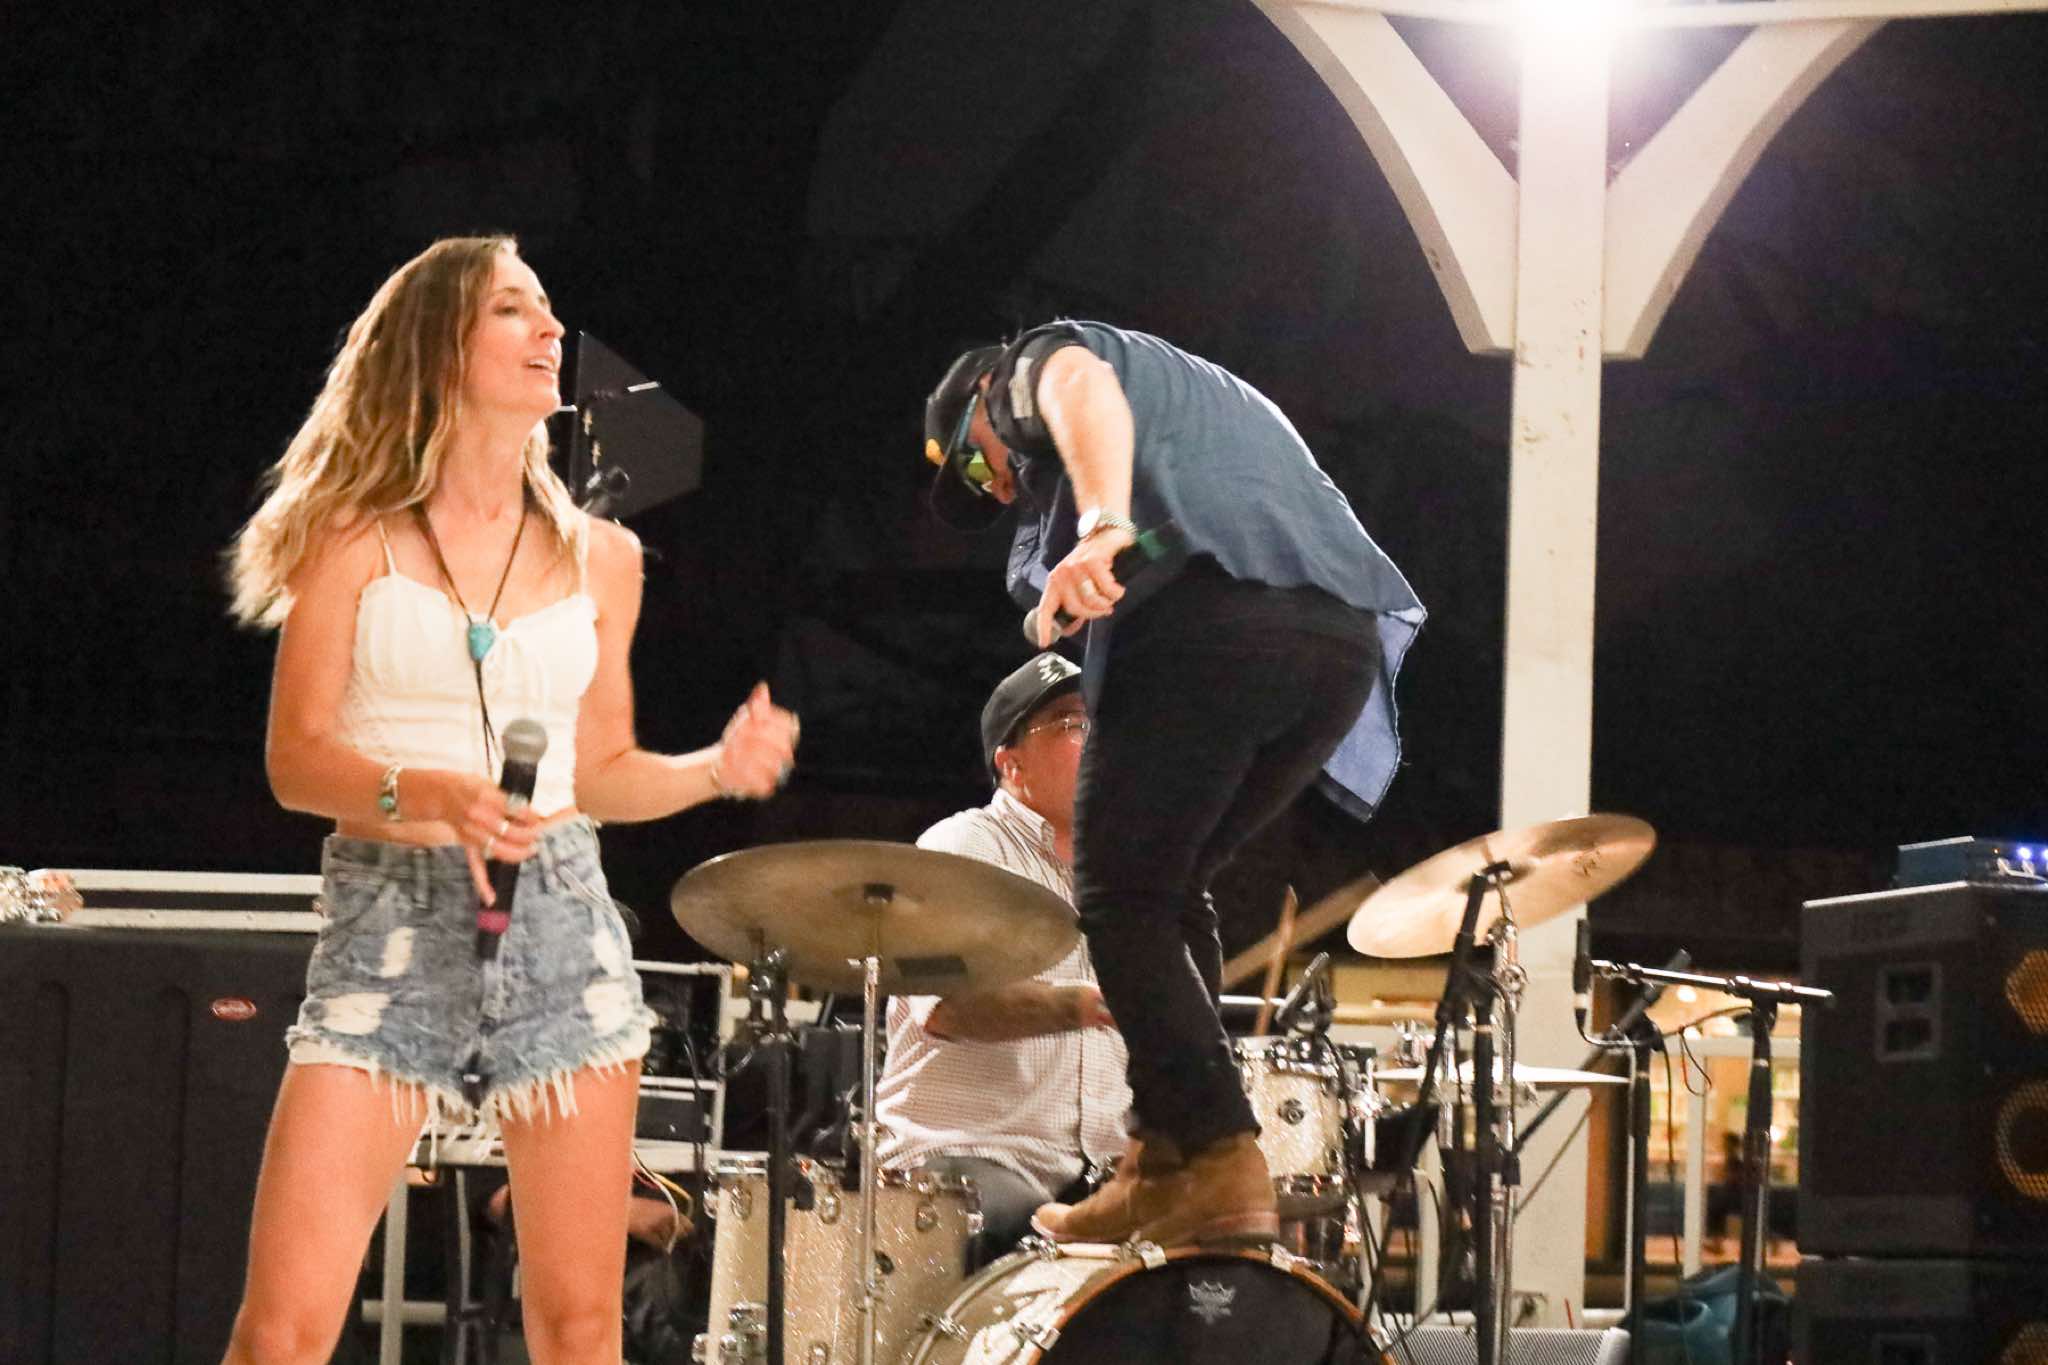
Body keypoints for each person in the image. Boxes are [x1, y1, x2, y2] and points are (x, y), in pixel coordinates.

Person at [222, 235, 799, 1365]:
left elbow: (602, 770)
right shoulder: (351, 535)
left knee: (580, 1326)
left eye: (547, 311)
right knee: (281, 1330)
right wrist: (429, 789)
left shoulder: (604, 558)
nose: (550, 331)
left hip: (559, 926)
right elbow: (295, 762)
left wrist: (711, 770)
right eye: (511, 309)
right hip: (389, 926)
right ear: (440, 345)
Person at [922, 320, 1424, 1248]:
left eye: (977, 463)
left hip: (1216, 624)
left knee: (1118, 894)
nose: (999, 486)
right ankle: (1162, 1155)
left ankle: (1217, 1155)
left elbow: (1074, 384)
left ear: (986, 395)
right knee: (1171, 883)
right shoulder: (1200, 399)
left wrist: (1101, 524)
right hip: (1335, 650)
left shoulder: (1042, 361)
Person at [873, 652, 1131, 1261]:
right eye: (1074, 723)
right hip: (966, 1155)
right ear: (1011, 763)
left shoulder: (1129, 874)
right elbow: (950, 1007)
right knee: (1024, 1229)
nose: (1101, 738)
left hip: (1103, 1174)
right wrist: (1092, 1005)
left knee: (1223, 1261)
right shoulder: (963, 846)